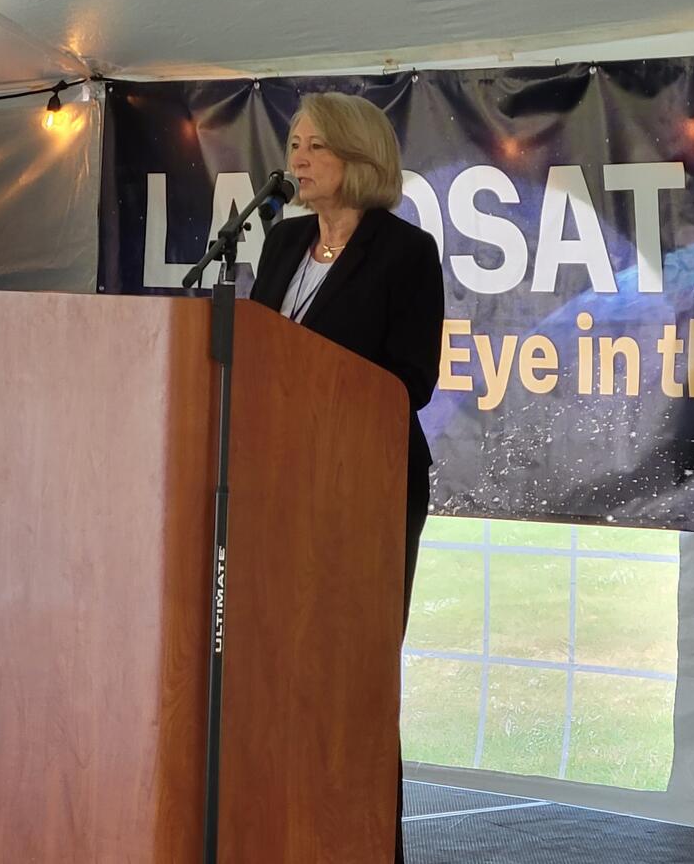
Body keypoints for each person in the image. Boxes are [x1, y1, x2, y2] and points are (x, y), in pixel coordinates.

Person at [248, 90, 444, 863]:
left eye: (314, 147)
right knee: (279, 669)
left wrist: (318, 387)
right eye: (294, 145)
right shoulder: (280, 242)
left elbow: (409, 378)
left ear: (359, 158)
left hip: (367, 488)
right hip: (276, 485)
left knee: (351, 675)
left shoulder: (404, 253)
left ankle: (364, 843)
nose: (296, 160)